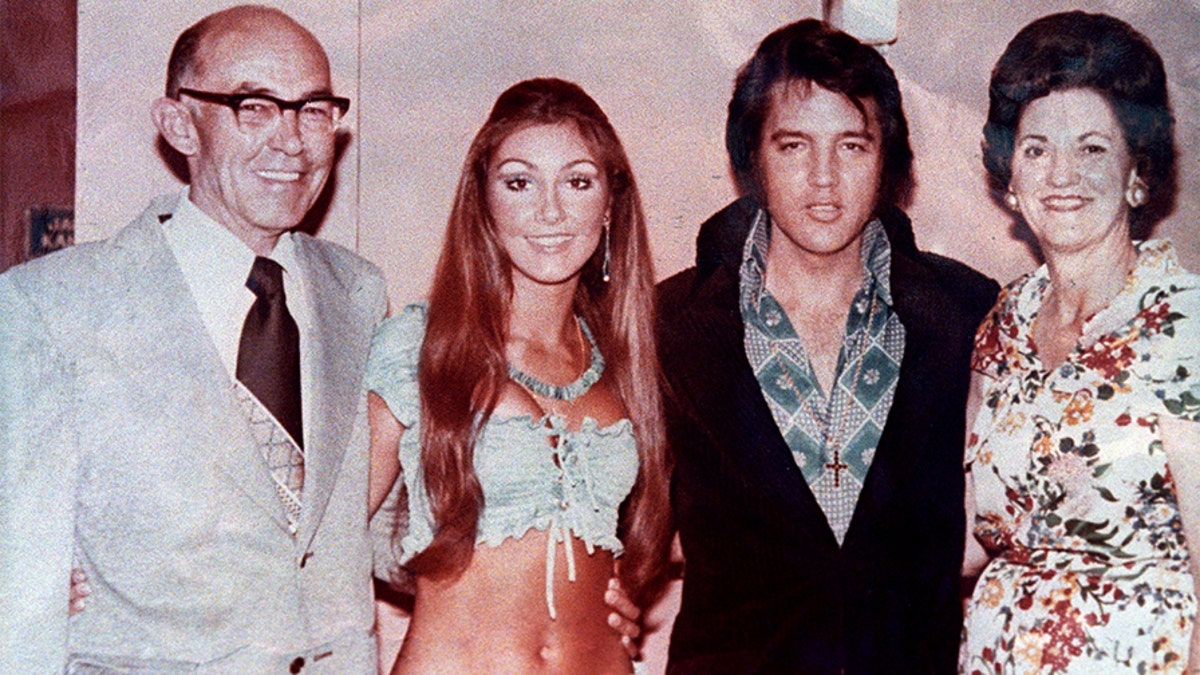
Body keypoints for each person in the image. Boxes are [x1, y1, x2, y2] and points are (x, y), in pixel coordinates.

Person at [0, 6, 389, 672]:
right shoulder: (51, 306)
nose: (292, 142)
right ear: (180, 124)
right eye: (255, 107)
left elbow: (369, 528)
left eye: (314, 110)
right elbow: (22, 600)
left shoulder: (358, 293)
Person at [656, 19, 999, 673]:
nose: (824, 178)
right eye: (793, 146)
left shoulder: (966, 312)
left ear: (887, 158)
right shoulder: (667, 323)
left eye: (851, 146)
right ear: (750, 157)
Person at [364, 78, 672, 673]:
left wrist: (622, 592)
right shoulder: (419, 348)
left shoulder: (627, 357)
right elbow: (328, 539)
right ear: (483, 199)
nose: (550, 211)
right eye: (519, 182)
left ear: (610, 203)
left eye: (578, 182)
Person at [960, 11, 1200, 673]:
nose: (1061, 173)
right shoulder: (1002, 325)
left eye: (1092, 147)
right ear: (1011, 176)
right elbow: (969, 536)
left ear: (1136, 170)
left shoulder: (1184, 323)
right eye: (1036, 148)